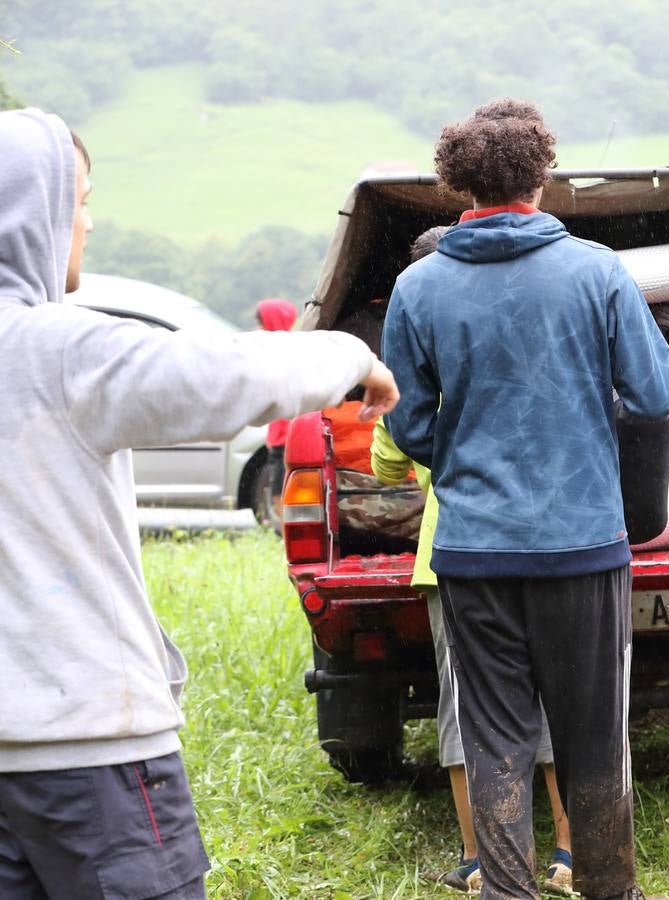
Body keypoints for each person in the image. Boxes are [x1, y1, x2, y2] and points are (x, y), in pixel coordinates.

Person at [0, 108, 399, 899]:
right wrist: (353, 353)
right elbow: (217, 376)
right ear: (29, 214)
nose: (86, 222)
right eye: (77, 200)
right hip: (88, 754)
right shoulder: (54, 349)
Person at [381, 99, 669, 900]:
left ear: (457, 186)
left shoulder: (418, 288)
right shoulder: (595, 271)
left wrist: (468, 458)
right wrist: (630, 499)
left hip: (475, 554)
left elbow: (406, 424)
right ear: (542, 176)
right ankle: (608, 888)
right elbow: (654, 398)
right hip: (583, 548)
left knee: (497, 740)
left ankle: (505, 890)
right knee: (594, 740)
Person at [371, 226, 574, 895]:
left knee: (465, 708)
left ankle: (481, 857)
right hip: (544, 542)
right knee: (551, 695)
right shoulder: (511, 333)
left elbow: (386, 457)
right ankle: (570, 851)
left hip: (453, 550)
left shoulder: (419, 353)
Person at [256, 297, 299, 520]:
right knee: (283, 488)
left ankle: (287, 533)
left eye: (262, 322)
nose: (258, 328)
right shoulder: (293, 349)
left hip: (285, 436)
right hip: (282, 435)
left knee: (281, 490)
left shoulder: (277, 353)